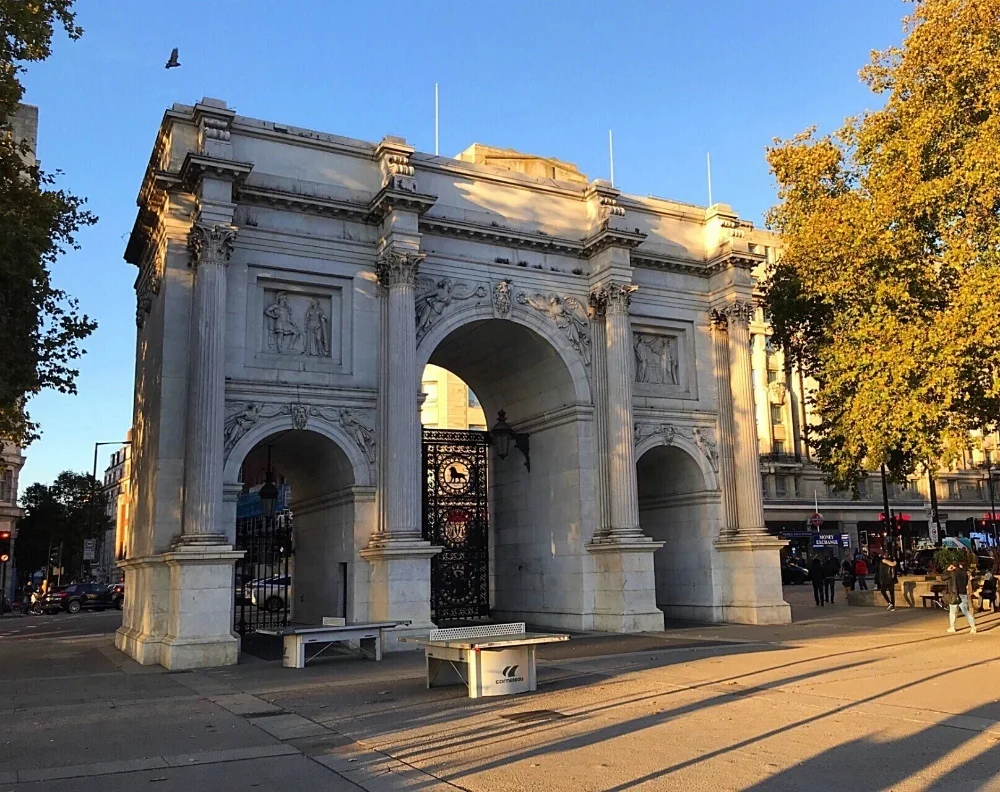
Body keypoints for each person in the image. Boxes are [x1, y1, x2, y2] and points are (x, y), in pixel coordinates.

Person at [943, 561, 977, 633]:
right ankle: (973, 627)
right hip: (963, 593)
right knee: (966, 611)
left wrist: (947, 570)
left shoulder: (952, 573)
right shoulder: (964, 573)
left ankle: (952, 627)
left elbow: (943, 577)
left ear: (952, 566)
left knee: (952, 611)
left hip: (955, 594)